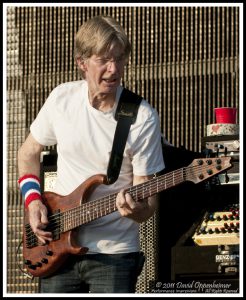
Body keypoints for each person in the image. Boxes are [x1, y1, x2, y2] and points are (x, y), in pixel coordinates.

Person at [17, 15, 165, 293]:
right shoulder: (62, 99)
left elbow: (148, 200)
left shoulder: (141, 116)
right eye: (104, 60)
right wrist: (33, 202)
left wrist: (137, 210)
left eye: (120, 59)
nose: (114, 69)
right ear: (82, 62)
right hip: (55, 248)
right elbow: (27, 153)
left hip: (114, 255)